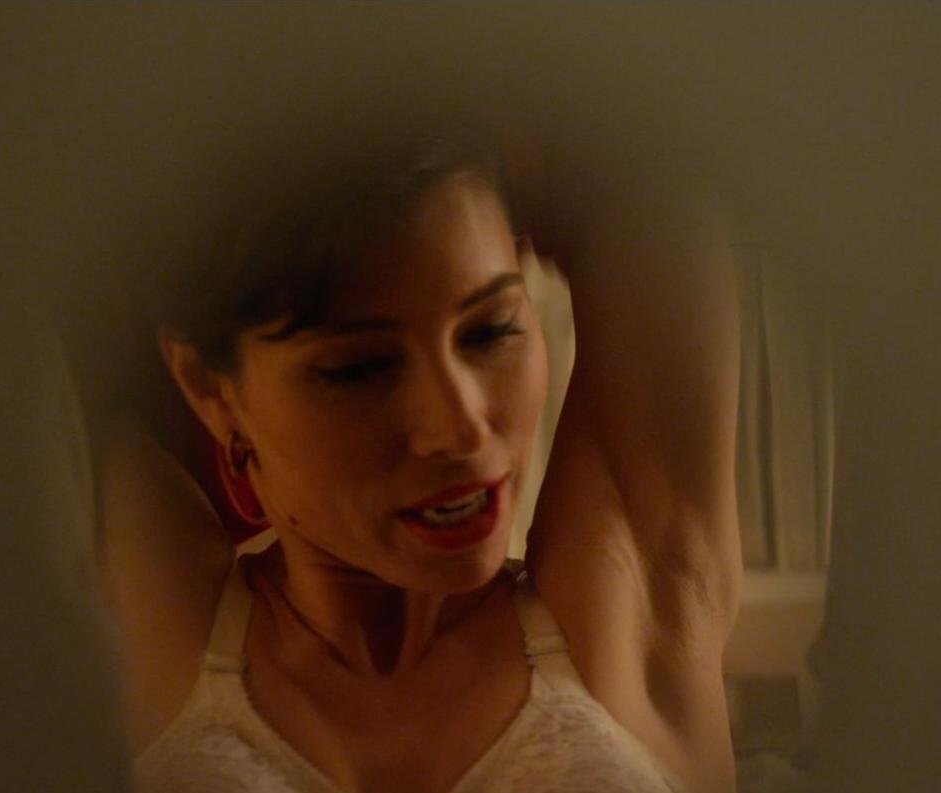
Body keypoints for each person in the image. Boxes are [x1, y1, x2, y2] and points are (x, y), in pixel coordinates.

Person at [87, 114, 742, 793]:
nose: (460, 428)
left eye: (490, 331)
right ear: (209, 388)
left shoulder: (630, 596)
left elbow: (650, 165)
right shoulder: (156, 621)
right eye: (361, 369)